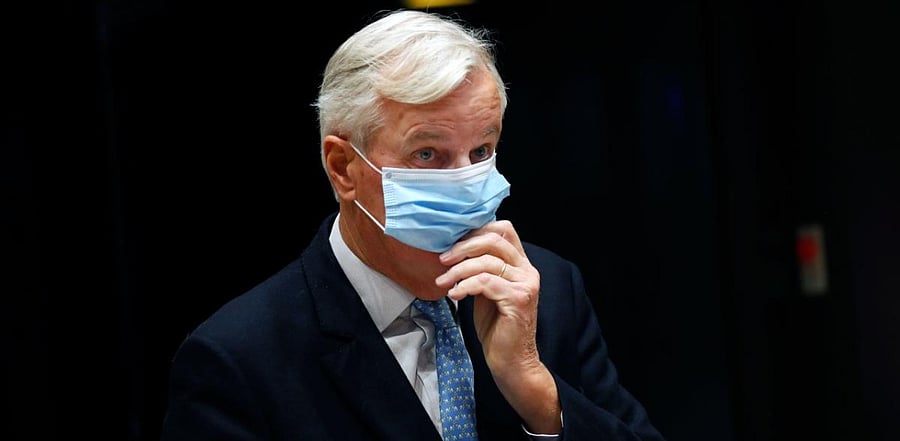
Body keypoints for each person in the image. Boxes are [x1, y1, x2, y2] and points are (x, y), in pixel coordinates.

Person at [160, 8, 665, 441]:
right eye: (428, 154)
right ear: (343, 167)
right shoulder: (238, 359)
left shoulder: (546, 288)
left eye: (482, 150)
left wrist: (537, 391)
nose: (466, 182)